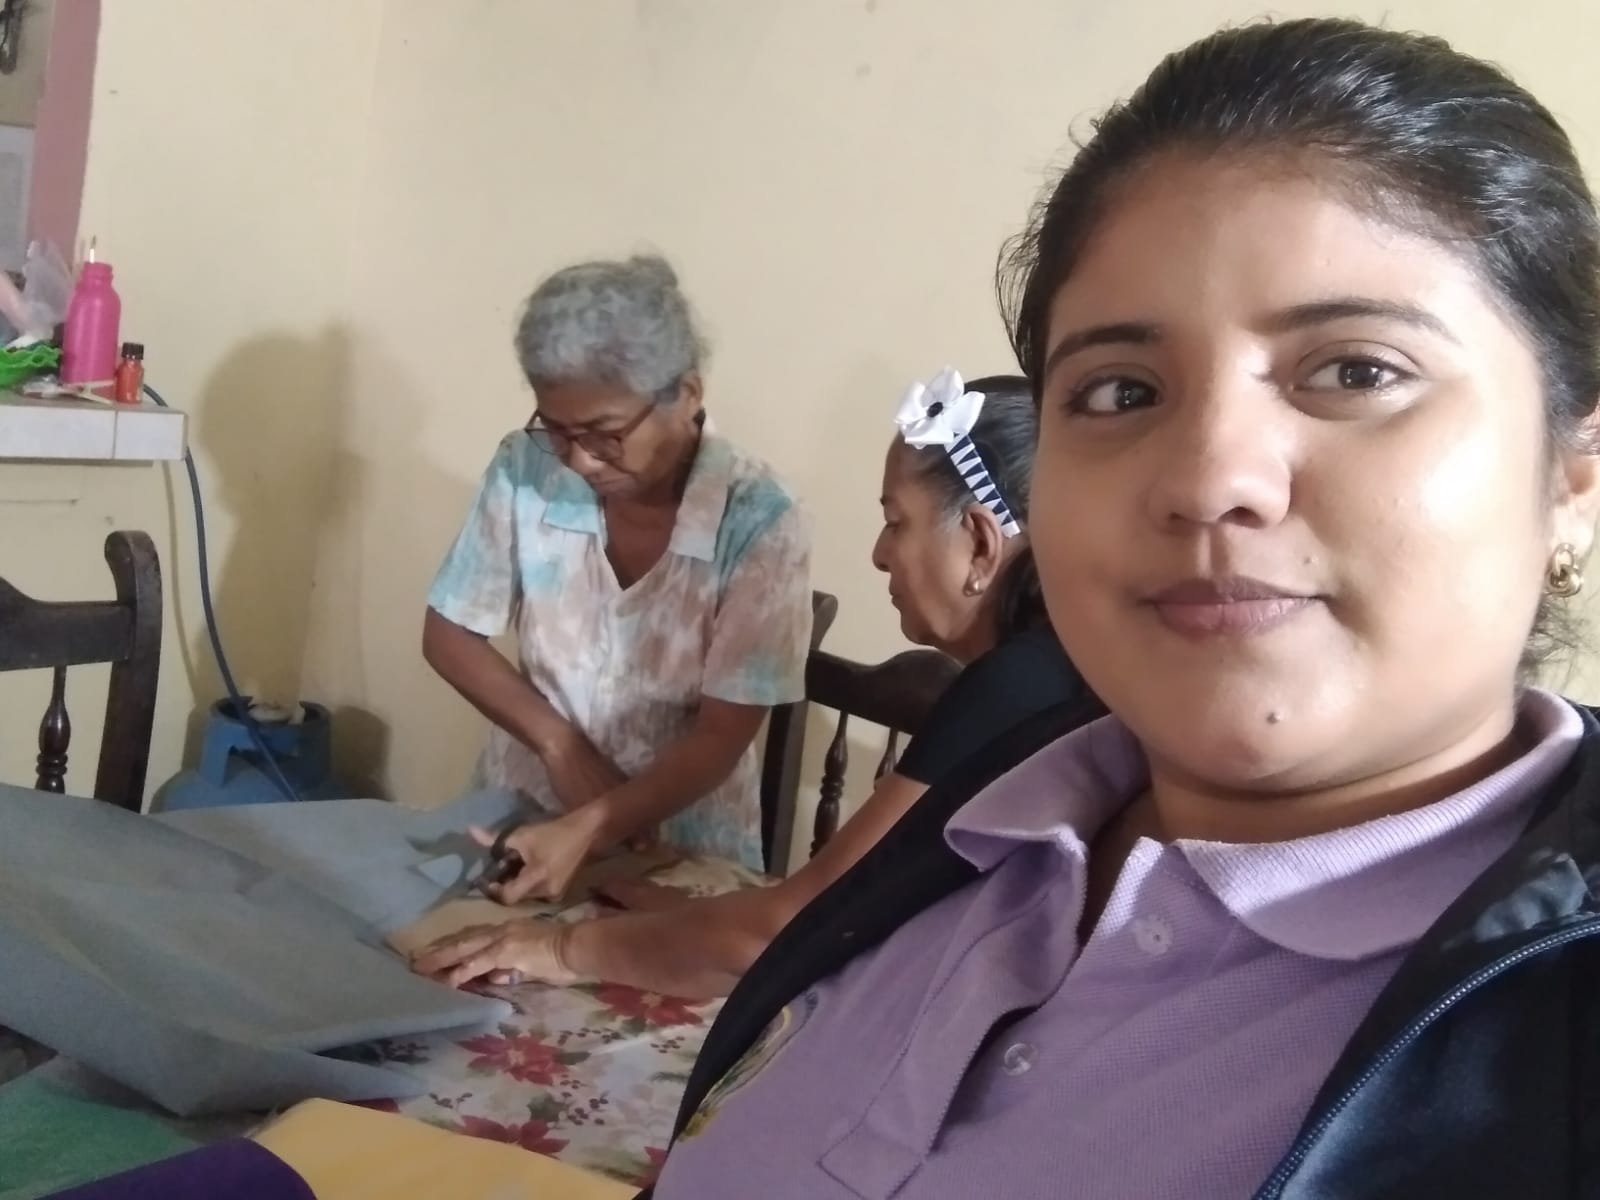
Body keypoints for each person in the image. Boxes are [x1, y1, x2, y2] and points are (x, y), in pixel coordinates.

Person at [647, 19, 1600, 1199]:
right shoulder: (994, 810)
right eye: (1118, 391)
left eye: (1355, 371)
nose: (1208, 477)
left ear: (1572, 475)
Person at [412, 371, 1102, 997]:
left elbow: (790, 927)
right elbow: (842, 905)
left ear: (980, 543)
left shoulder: (1010, 692)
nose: (878, 553)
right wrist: (704, 919)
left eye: (896, 522)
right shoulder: (1065, 668)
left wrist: (561, 949)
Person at [424, 255, 812, 898]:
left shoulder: (760, 515)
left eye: (605, 433)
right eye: (556, 430)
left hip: (677, 843)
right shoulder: (525, 469)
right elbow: (448, 634)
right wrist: (560, 746)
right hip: (521, 812)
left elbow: (723, 734)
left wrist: (596, 823)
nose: (580, 460)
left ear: (687, 395)